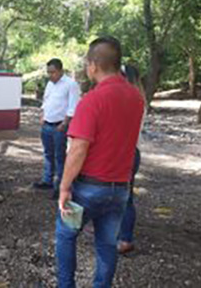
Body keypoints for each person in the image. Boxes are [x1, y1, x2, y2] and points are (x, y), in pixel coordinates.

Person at [56, 36, 145, 288]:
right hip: (120, 188)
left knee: (65, 235)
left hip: (88, 188)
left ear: (93, 65)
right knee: (107, 244)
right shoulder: (136, 98)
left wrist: (64, 187)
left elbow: (78, 149)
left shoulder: (92, 100)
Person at [34, 58, 80, 199]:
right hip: (47, 124)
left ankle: (60, 186)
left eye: (53, 72)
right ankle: (47, 180)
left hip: (59, 126)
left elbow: (73, 106)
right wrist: (42, 115)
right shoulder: (50, 84)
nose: (50, 75)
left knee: (59, 157)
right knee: (48, 154)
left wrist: (64, 123)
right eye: (48, 72)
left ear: (60, 70)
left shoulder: (70, 84)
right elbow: (46, 101)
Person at [118, 64, 146, 254]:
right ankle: (122, 235)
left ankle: (125, 238)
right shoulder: (140, 98)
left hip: (124, 152)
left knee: (124, 197)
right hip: (132, 151)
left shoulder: (128, 99)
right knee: (124, 196)